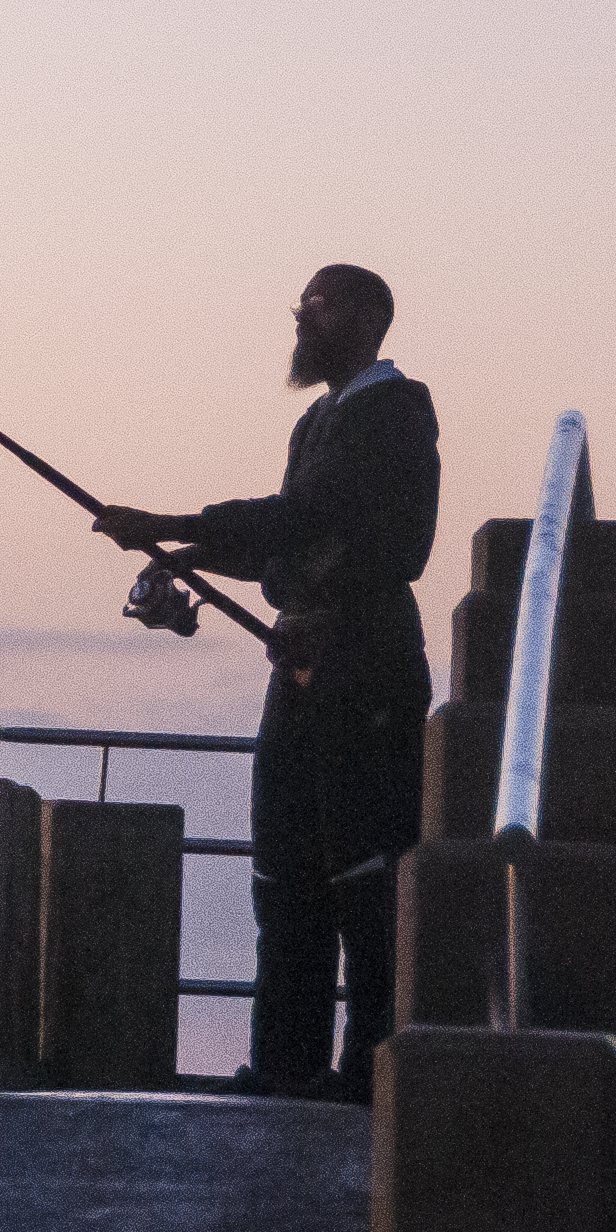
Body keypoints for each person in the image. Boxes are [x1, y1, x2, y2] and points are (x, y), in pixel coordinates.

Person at [91, 265, 439, 1100]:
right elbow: (283, 546)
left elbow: (312, 520)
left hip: (368, 667)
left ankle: (367, 1073)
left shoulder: (394, 412)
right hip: (301, 665)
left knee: (364, 870)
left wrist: (173, 525)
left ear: (363, 317)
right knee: (284, 864)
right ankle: (284, 1063)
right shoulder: (317, 423)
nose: (299, 319)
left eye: (315, 306)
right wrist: (186, 557)